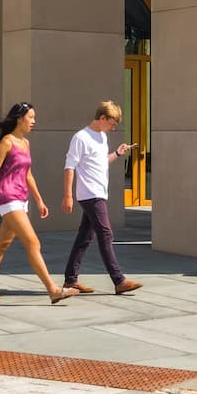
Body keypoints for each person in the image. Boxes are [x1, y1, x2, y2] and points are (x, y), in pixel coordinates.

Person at [0, 103, 75, 306]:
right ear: (19, 119)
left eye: (34, 117)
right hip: (7, 197)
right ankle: (53, 290)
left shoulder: (25, 143)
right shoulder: (7, 142)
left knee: (1, 245)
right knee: (33, 243)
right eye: (30, 117)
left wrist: (39, 200)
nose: (34, 121)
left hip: (21, 199)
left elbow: (28, 174)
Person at [60, 101, 140, 297]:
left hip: (98, 193)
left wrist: (118, 153)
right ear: (102, 118)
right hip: (90, 194)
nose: (113, 128)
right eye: (112, 123)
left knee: (85, 237)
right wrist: (68, 195)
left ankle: (71, 279)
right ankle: (119, 280)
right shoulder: (81, 137)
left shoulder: (102, 137)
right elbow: (69, 167)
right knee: (105, 234)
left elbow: (101, 163)